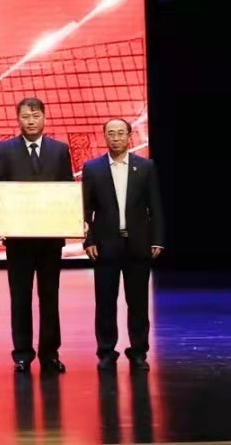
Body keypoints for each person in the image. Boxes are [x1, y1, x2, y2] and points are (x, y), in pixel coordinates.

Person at [0, 97, 74, 374]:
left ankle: (50, 354)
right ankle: (22, 354)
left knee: (50, 297)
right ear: (18, 119)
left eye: (36, 116)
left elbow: (68, 188)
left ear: (44, 118)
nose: (31, 121)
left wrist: (74, 220)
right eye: (26, 117)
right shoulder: (5, 149)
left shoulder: (59, 150)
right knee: (20, 297)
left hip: (50, 236)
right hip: (18, 236)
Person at [82, 118, 165, 372]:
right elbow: (84, 209)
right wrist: (89, 239)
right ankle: (106, 352)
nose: (116, 137)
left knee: (138, 302)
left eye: (120, 133)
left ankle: (138, 352)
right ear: (104, 137)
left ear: (129, 136)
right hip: (105, 245)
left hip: (138, 244)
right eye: (111, 133)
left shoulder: (146, 167)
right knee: (105, 302)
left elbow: (155, 206)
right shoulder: (92, 168)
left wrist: (157, 239)